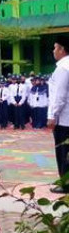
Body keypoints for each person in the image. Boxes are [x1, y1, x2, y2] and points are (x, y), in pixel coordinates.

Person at [48, 36, 69, 193]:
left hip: (64, 119)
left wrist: (52, 115)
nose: (53, 51)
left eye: (55, 47)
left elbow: (59, 95)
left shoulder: (63, 68)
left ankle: (65, 183)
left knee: (63, 152)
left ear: (62, 49)